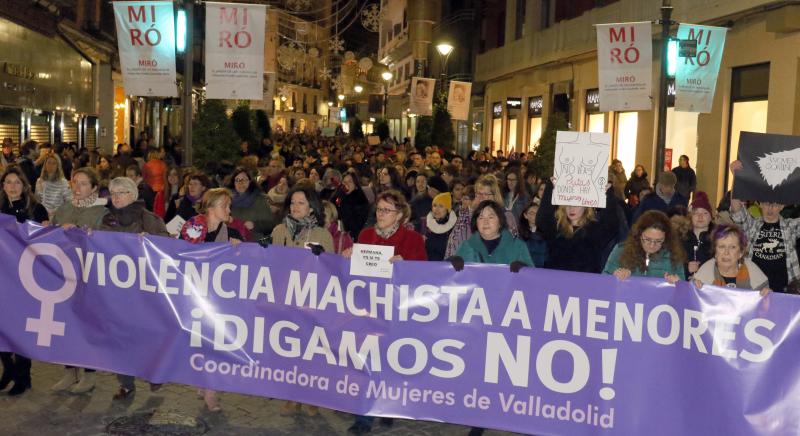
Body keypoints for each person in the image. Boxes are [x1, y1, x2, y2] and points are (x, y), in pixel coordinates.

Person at [346, 189, 426, 434]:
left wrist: (406, 267)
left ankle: (389, 407)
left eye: (386, 210)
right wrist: (346, 258)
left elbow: (424, 275)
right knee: (369, 362)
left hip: (397, 311)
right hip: (369, 310)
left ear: (400, 214)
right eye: (379, 209)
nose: (380, 214)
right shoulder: (366, 234)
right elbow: (355, 272)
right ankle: (365, 418)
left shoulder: (411, 240)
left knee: (391, 363)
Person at [99, 177, 169, 400]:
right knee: (119, 337)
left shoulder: (150, 220)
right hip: (116, 292)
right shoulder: (107, 220)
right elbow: (98, 251)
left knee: (145, 335)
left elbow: (167, 248)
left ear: (133, 195)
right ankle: (126, 382)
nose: (117, 197)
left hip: (144, 292)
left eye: (122, 192)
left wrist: (152, 243)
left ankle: (154, 372)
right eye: (113, 192)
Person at [179, 188, 242, 411]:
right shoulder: (192, 228)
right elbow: (177, 252)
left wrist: (237, 250)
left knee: (215, 341)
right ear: (212, 207)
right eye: (225, 205)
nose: (229, 210)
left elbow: (244, 265)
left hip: (218, 300)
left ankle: (210, 389)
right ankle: (203, 381)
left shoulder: (232, 234)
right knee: (200, 340)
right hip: (195, 295)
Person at [51, 167, 108, 394]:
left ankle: (89, 373)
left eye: (84, 183)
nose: (78, 187)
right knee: (65, 323)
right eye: (76, 182)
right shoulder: (64, 209)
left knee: (85, 325)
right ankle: (69, 371)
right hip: (62, 274)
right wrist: (52, 228)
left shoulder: (101, 212)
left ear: (94, 187)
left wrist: (84, 234)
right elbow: (50, 237)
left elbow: (107, 242)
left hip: (88, 275)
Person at [0, 167, 48, 396]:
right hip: (2, 276)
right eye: (8, 182)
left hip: (26, 278)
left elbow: (48, 238)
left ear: (24, 185)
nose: (12, 186)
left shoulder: (36, 209)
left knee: (20, 329)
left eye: (16, 182)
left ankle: (23, 376)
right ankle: (8, 369)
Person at [536, 179, 619, 273]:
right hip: (556, 282)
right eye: (568, 205)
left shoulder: (594, 230)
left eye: (577, 205)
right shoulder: (556, 228)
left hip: (585, 283)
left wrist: (609, 194)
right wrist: (550, 188)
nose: (572, 209)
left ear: (586, 207)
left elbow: (612, 224)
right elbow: (541, 220)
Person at [603, 210, 685, 283]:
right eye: (647, 239)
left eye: (658, 241)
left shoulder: (673, 255)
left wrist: (678, 283)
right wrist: (614, 276)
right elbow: (603, 281)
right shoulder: (620, 250)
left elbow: (683, 288)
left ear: (666, 238)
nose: (652, 245)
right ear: (639, 234)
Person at [692, 224, 770, 295]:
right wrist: (694, 290)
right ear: (715, 251)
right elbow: (689, 300)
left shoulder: (752, 270)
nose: (726, 252)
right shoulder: (704, 273)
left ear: (741, 253)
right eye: (721, 246)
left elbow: (767, 304)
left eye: (732, 247)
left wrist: (768, 296)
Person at [453, 200, 533, 267]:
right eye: (481, 218)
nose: (485, 222)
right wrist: (451, 263)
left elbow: (533, 278)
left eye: (491, 217)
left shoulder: (518, 247)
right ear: (476, 223)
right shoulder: (466, 247)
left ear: (500, 222)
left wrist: (524, 269)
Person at [228, 167, 278, 242]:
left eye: (244, 179)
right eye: (237, 180)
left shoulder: (260, 199)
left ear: (250, 181)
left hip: (255, 243)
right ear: (233, 183)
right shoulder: (228, 200)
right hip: (233, 243)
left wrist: (255, 225)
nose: (241, 183)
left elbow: (270, 224)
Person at [681, 191, 715, 278]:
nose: (700, 216)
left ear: (711, 217)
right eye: (696, 213)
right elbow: (674, 265)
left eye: (705, 213)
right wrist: (686, 269)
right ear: (690, 216)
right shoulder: (681, 238)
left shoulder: (718, 239)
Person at [419, 192, 458, 261]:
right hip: (425, 266)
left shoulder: (454, 227)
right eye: (434, 205)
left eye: (441, 206)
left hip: (444, 268)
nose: (436, 209)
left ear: (447, 209)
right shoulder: (423, 224)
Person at [333, 171, 370, 241]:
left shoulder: (361, 201)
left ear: (356, 185)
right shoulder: (338, 196)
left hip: (352, 237)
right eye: (344, 182)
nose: (346, 184)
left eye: (350, 181)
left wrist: (345, 201)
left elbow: (355, 225)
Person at [35, 153, 71, 217]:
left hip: (58, 216)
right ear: (45, 165)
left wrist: (55, 212)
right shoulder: (39, 181)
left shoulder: (63, 182)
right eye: (49, 163)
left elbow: (68, 202)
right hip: (43, 215)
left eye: (54, 163)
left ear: (58, 166)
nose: (50, 166)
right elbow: (37, 201)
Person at [518, 200, 548, 268]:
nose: (535, 215)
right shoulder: (520, 235)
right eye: (532, 213)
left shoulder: (547, 233)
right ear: (525, 215)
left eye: (538, 213)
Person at [142, 148, 168, 218]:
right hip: (161, 190)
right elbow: (165, 179)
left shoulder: (147, 165)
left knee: (151, 209)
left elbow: (144, 179)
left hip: (150, 190)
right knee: (160, 209)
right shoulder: (163, 164)